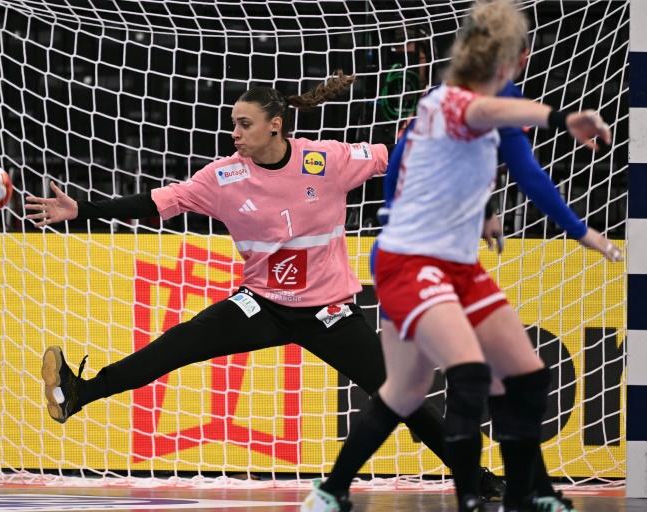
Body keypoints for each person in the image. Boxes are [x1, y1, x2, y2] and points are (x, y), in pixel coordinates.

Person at [26, 71, 505, 501]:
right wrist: (84, 210)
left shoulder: (327, 159)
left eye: (244, 124)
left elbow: (392, 158)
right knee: (173, 346)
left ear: (275, 125)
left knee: (401, 396)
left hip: (328, 313)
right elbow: (157, 201)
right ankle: (77, 393)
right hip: (262, 305)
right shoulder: (222, 177)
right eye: (232, 124)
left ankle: (476, 479)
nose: (234, 133)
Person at [300, 2, 621, 512]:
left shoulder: (498, 98)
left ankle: (333, 491)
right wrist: (560, 116)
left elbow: (518, 167)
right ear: (515, 58)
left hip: (454, 261)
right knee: (470, 371)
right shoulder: (449, 99)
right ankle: (475, 496)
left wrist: (493, 210)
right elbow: (476, 119)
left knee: (462, 382)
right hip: (409, 259)